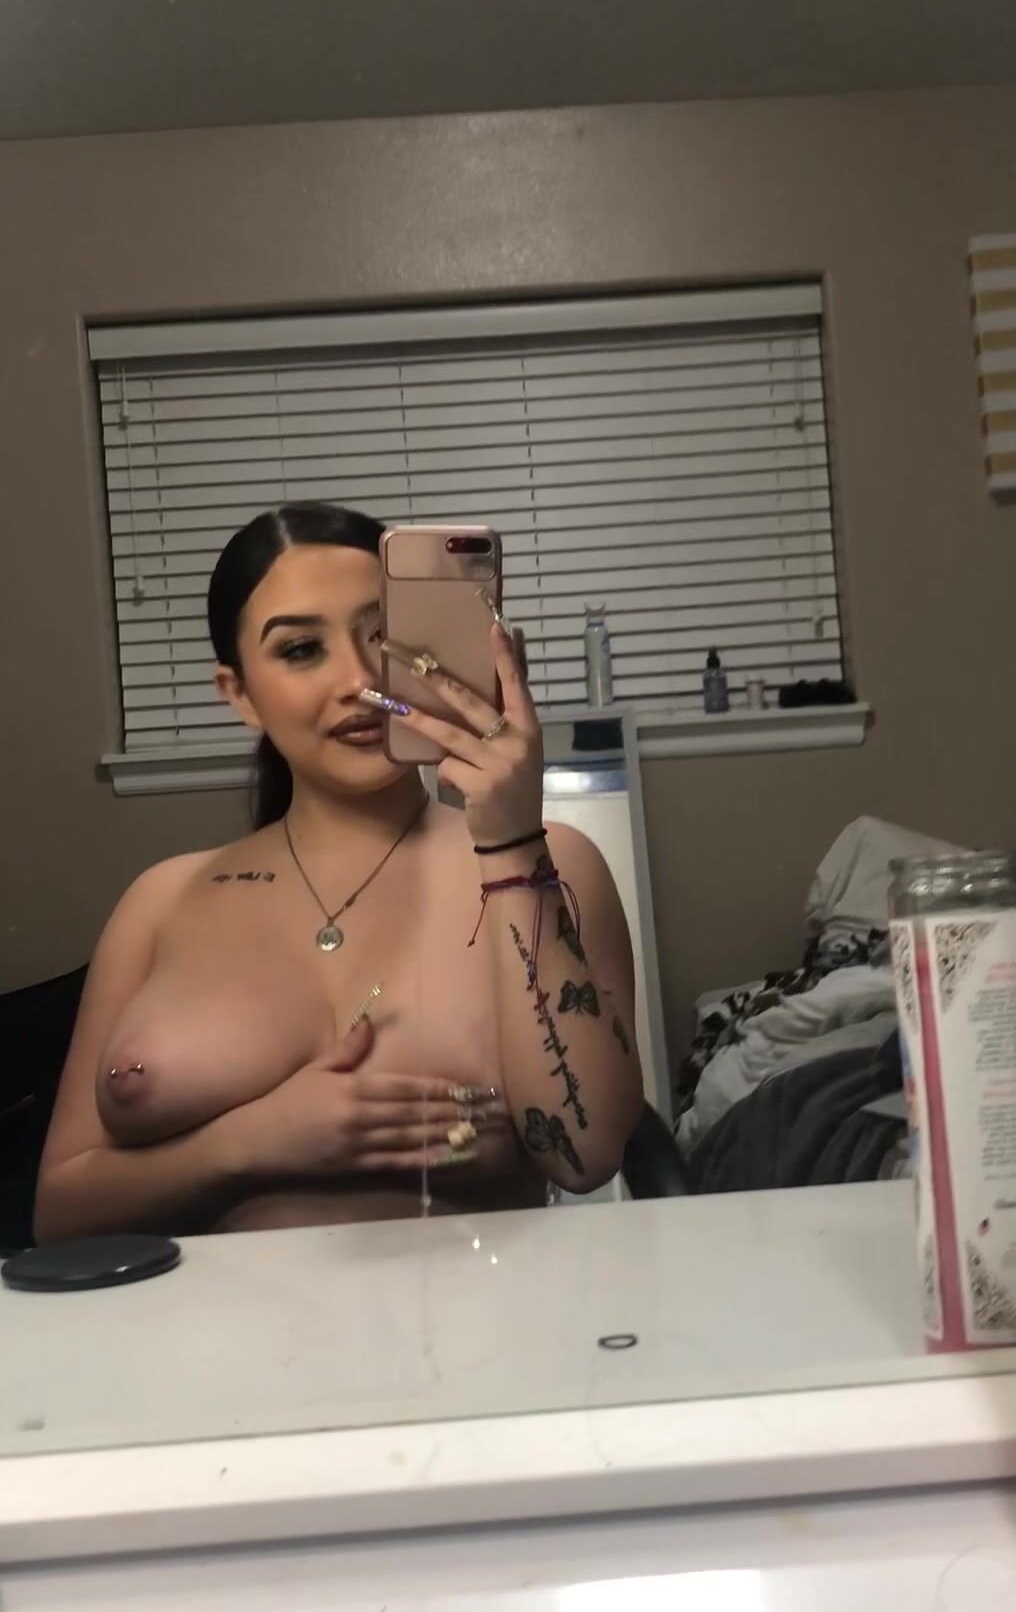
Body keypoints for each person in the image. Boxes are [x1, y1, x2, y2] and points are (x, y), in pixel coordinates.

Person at [34, 504, 644, 1238]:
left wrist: (512, 843)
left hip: (479, 1307)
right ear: (239, 693)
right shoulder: (159, 903)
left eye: (383, 636)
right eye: (300, 649)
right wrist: (247, 1143)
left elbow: (586, 1156)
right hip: (205, 1314)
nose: (359, 679)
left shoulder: (553, 861)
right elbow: (57, 1214)